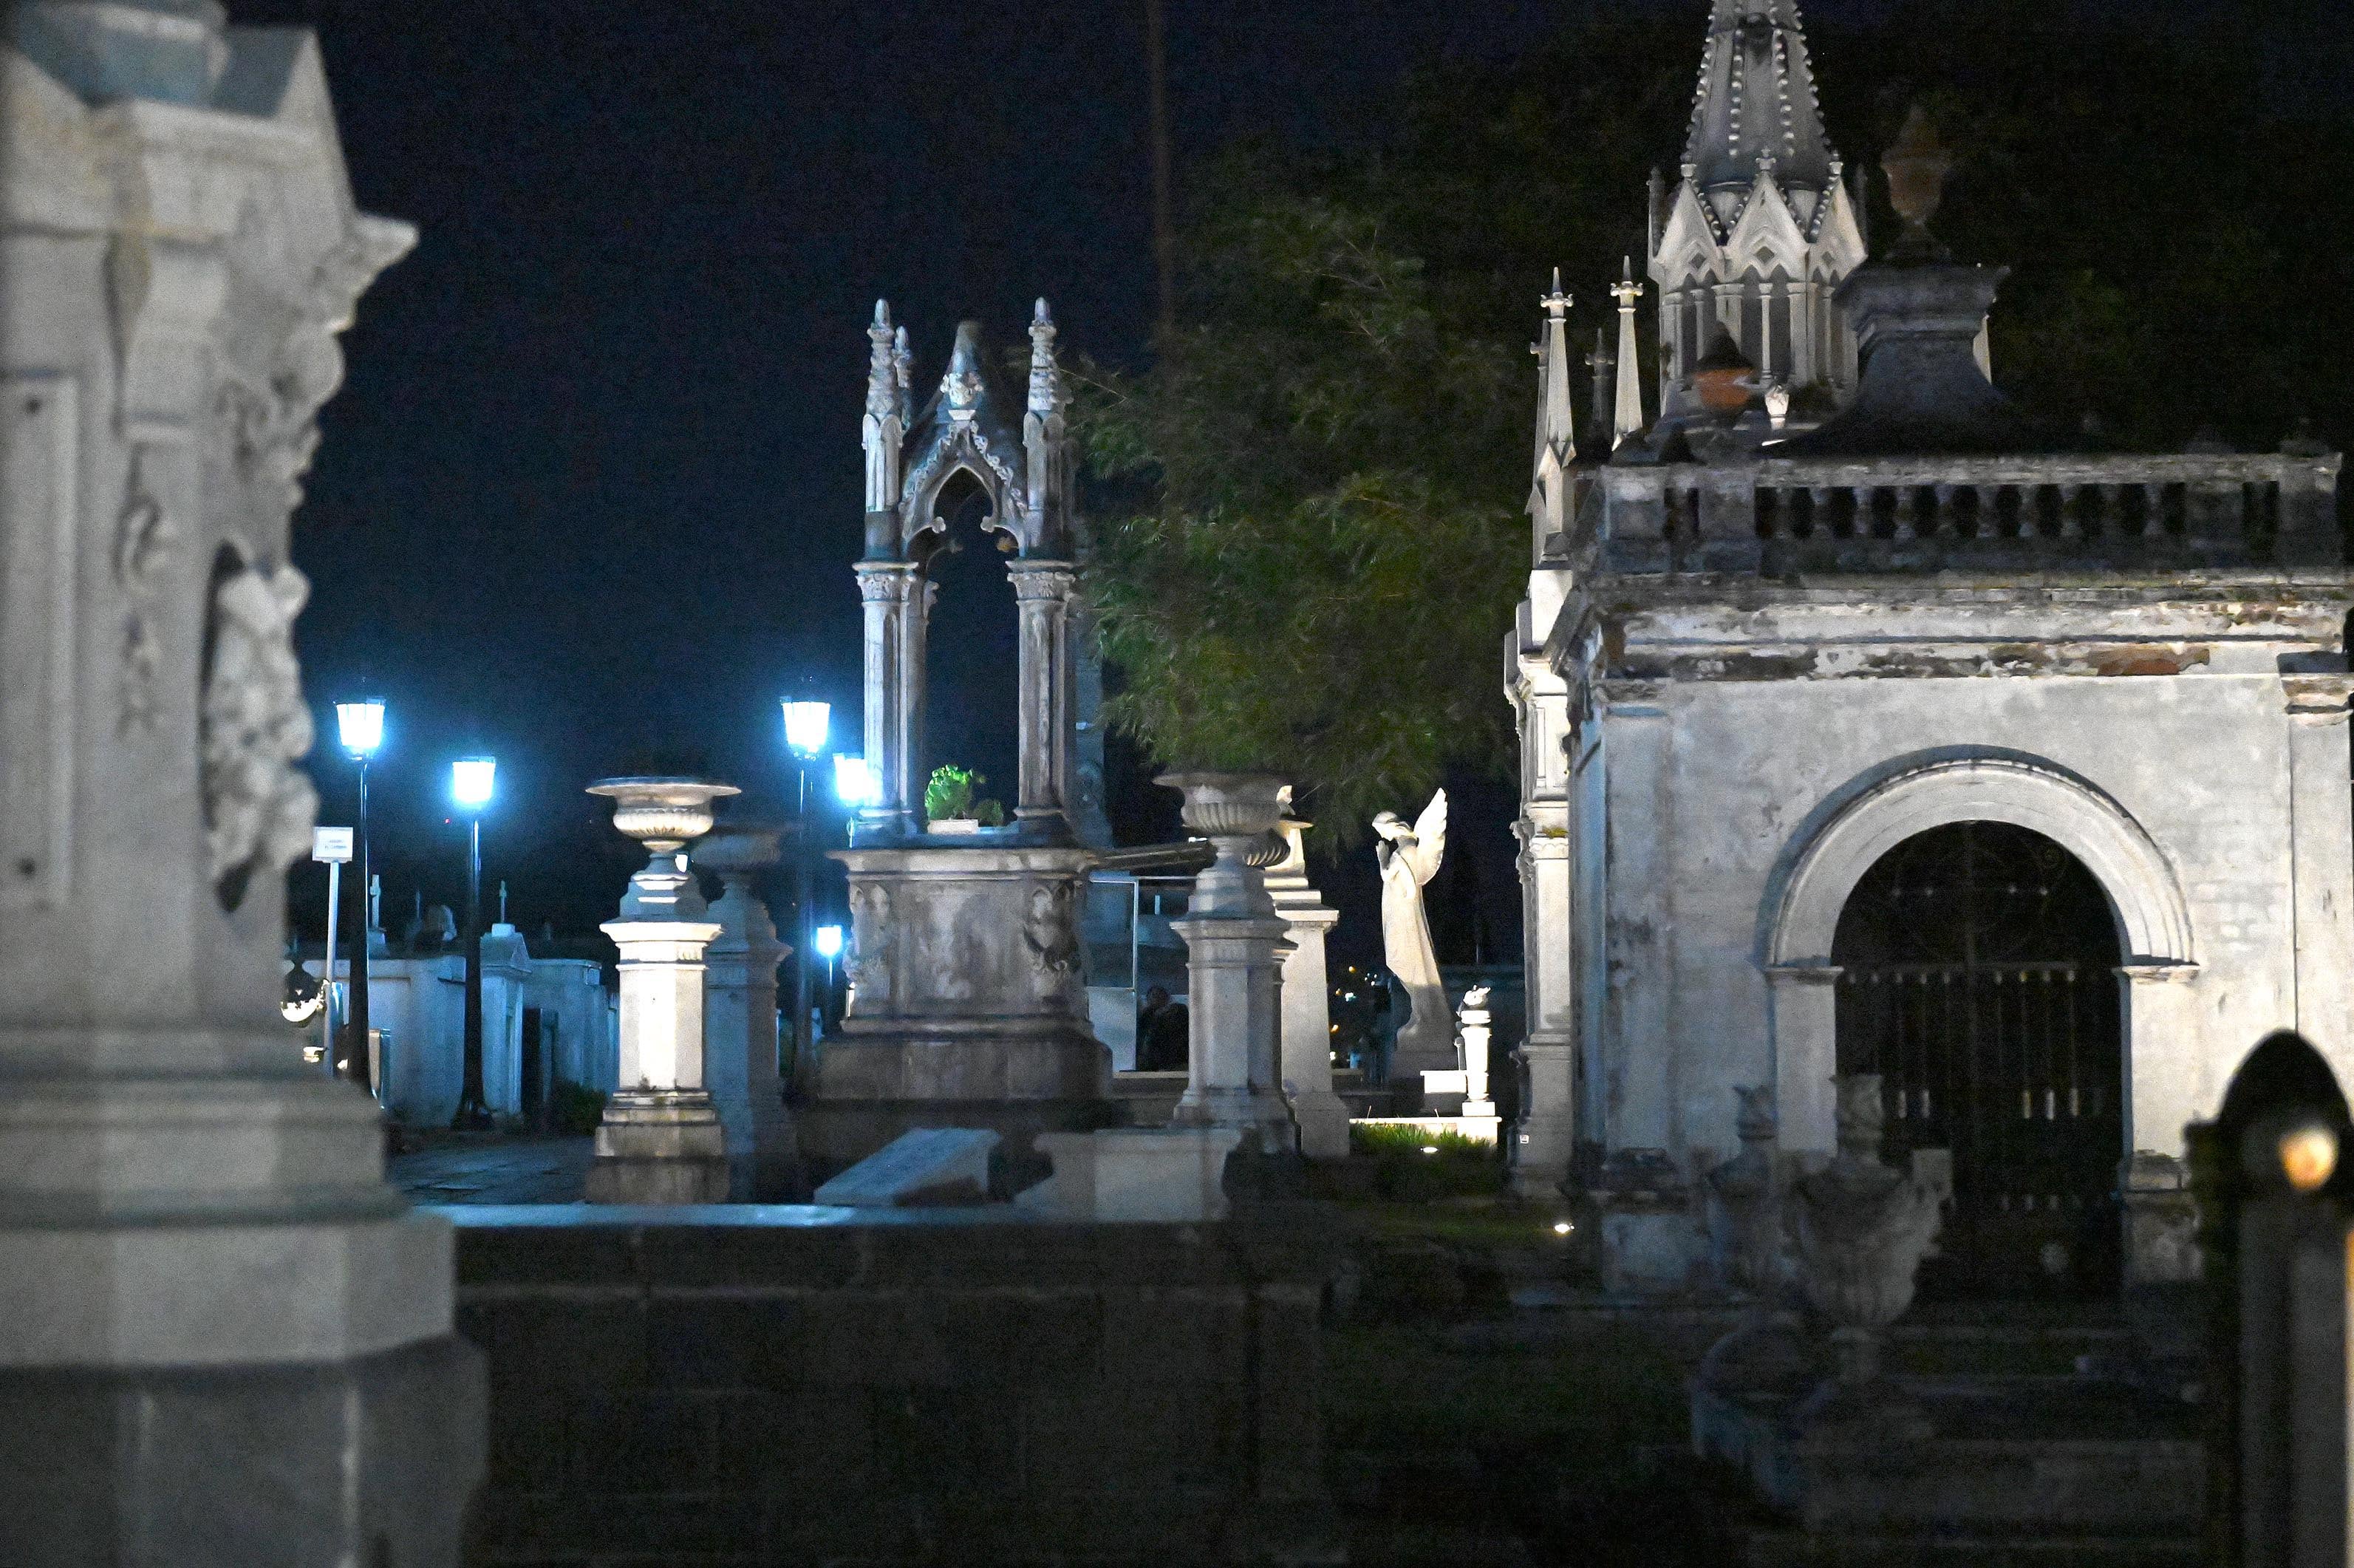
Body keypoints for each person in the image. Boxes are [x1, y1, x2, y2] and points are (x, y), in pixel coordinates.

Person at [1136, 985, 1190, 1071]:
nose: (1157, 999)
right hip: (1156, 1060)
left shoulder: (1177, 1011)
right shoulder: (1146, 1017)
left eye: (1160, 996)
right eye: (1154, 996)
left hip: (1173, 1059)